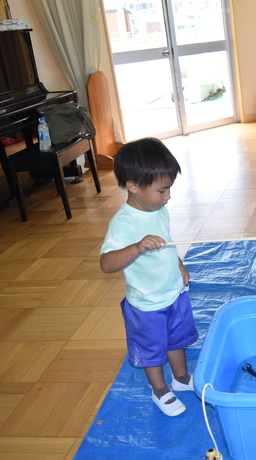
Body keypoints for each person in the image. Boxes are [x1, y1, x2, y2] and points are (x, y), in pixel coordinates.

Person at [100, 138, 197, 417]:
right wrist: (136, 247)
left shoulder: (158, 209)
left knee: (176, 340)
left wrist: (178, 264)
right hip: (147, 304)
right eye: (162, 190)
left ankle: (180, 378)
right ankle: (160, 390)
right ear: (133, 186)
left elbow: (166, 243)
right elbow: (107, 264)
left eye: (169, 189)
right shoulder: (125, 223)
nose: (168, 196)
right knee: (152, 349)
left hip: (173, 293)